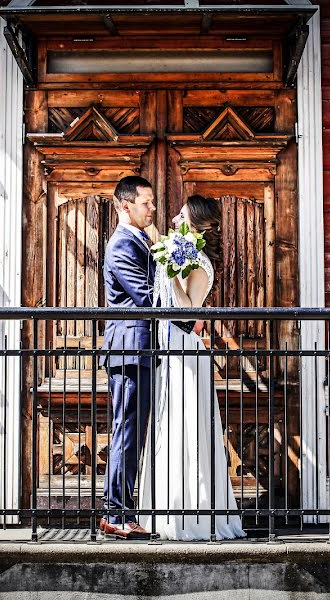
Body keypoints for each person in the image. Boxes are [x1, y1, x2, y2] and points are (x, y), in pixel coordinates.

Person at [138, 194, 247, 541]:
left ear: (197, 223)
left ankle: (191, 516)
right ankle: (163, 509)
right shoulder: (183, 253)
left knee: (186, 429)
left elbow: (187, 311)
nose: (173, 220)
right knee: (168, 428)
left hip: (184, 351)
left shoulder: (198, 263)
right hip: (168, 349)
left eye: (180, 215)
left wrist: (171, 274)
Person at [99, 175, 156, 540]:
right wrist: (189, 312)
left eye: (152, 202)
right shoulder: (121, 245)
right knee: (126, 432)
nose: (152, 208)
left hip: (141, 349)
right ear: (125, 205)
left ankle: (125, 510)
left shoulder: (141, 240)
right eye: (146, 202)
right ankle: (115, 514)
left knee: (134, 433)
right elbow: (146, 297)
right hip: (128, 350)